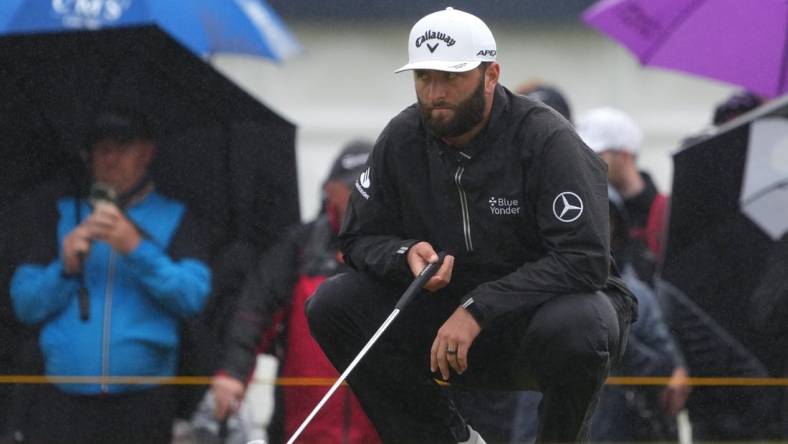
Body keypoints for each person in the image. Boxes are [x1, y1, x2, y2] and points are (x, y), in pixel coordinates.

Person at [304, 7, 636, 443]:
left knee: (580, 323)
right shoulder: (401, 137)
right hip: (444, 322)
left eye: (452, 77)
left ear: (491, 74)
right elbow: (356, 238)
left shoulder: (547, 139)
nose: (435, 92)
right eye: (424, 77)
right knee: (333, 303)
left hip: (538, 323)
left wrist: (480, 307)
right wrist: (404, 255)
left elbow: (585, 261)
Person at [9, 108, 211, 444]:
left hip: (143, 401)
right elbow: (24, 304)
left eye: (123, 148)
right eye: (102, 149)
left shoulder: (176, 218)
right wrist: (64, 268)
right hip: (62, 402)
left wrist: (136, 249)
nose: (111, 159)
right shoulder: (61, 214)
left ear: (147, 153)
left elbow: (193, 296)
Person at [210, 141, 381, 444]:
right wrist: (234, 374)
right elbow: (253, 312)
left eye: (370, 188)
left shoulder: (407, 249)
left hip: (381, 429)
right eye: (352, 187)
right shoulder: (298, 246)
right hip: (301, 426)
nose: (361, 197)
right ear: (330, 190)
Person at [589, 189, 690, 442]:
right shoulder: (545, 293)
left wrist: (671, 371)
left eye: (604, 220)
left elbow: (670, 370)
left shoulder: (637, 293)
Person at [576, 107, 667, 286]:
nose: (584, 162)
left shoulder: (665, 213)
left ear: (624, 155)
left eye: (596, 154)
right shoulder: (586, 208)